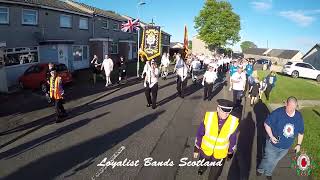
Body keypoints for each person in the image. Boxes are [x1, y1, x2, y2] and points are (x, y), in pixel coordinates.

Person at [257, 97, 304, 180]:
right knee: (268, 159)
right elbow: (266, 124)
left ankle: (268, 172)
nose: (291, 110)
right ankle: (260, 169)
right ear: (285, 104)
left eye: (293, 108)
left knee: (275, 161)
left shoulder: (298, 116)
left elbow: (301, 132)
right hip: (273, 144)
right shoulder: (278, 113)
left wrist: (298, 144)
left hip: (285, 147)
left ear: (296, 106)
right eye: (289, 107)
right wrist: (271, 136)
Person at [194, 99, 240, 180]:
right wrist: (196, 148)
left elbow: (233, 139)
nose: (225, 114)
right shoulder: (208, 117)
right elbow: (200, 133)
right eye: (223, 111)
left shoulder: (233, 122)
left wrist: (230, 152)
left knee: (215, 170)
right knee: (203, 162)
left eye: (228, 112)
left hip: (220, 152)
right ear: (218, 109)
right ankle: (202, 169)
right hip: (206, 149)